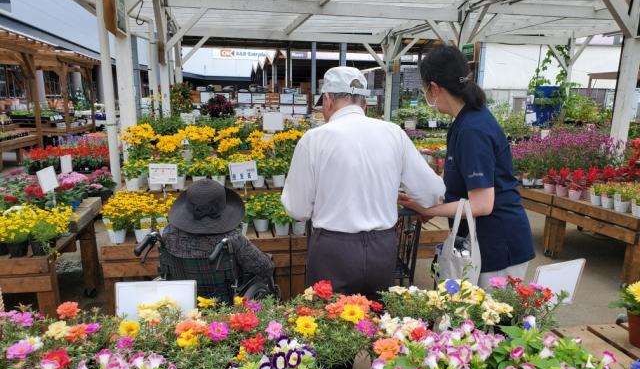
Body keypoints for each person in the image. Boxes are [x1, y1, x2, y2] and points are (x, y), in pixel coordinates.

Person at [282, 66, 445, 299]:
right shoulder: (393, 133)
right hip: (382, 248)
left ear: (327, 100)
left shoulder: (314, 139)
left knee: (328, 326)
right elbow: (432, 192)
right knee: (378, 326)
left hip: (332, 250)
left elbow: (297, 209)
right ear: (364, 103)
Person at [398, 46, 535, 288]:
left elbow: (482, 204)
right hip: (480, 241)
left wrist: (428, 209)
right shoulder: (465, 121)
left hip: (497, 245)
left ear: (434, 88)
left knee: (489, 320)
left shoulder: (473, 130)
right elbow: (461, 185)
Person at [164, 179, 274, 285]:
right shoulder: (233, 239)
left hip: (183, 295)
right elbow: (265, 269)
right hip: (225, 300)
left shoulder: (169, 233)